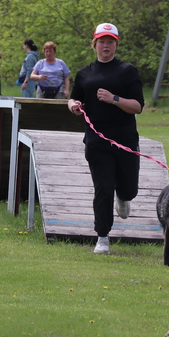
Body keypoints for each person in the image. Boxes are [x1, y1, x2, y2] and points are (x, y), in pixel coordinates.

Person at [67, 23, 144, 254]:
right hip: (97, 140)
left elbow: (138, 107)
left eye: (110, 42)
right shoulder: (84, 74)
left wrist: (114, 99)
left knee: (129, 189)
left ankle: (124, 196)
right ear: (95, 44)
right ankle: (102, 237)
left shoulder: (127, 71)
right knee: (103, 188)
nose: (106, 46)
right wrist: (74, 106)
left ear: (116, 45)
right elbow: (72, 99)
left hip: (125, 139)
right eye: (102, 41)